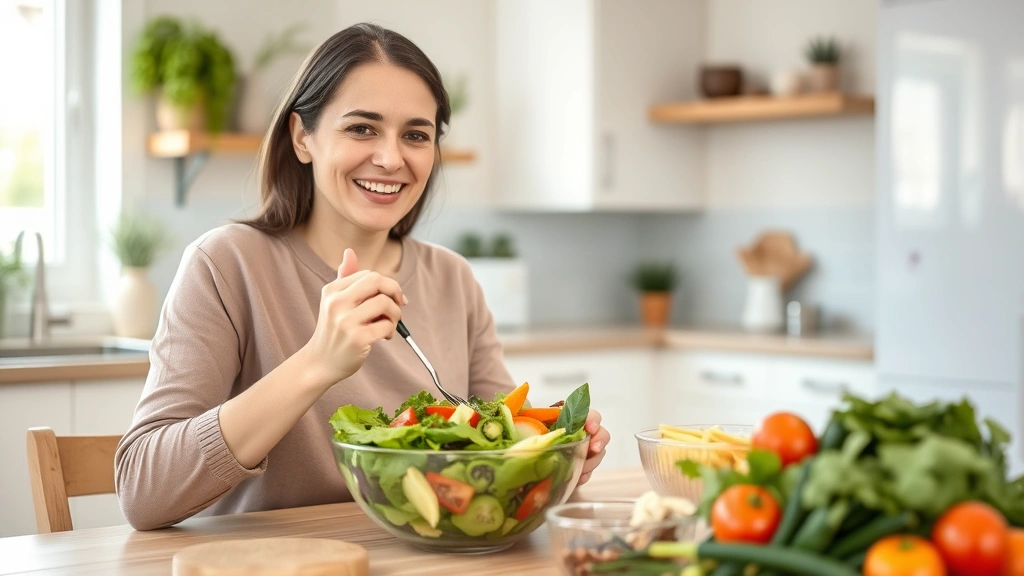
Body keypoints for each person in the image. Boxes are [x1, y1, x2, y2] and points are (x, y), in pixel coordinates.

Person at [114, 22, 610, 530]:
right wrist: (317, 362)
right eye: (361, 128)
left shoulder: (452, 279)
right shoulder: (226, 265)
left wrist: (554, 449)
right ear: (302, 136)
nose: (391, 158)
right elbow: (143, 491)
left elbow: (502, 450)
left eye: (415, 135)